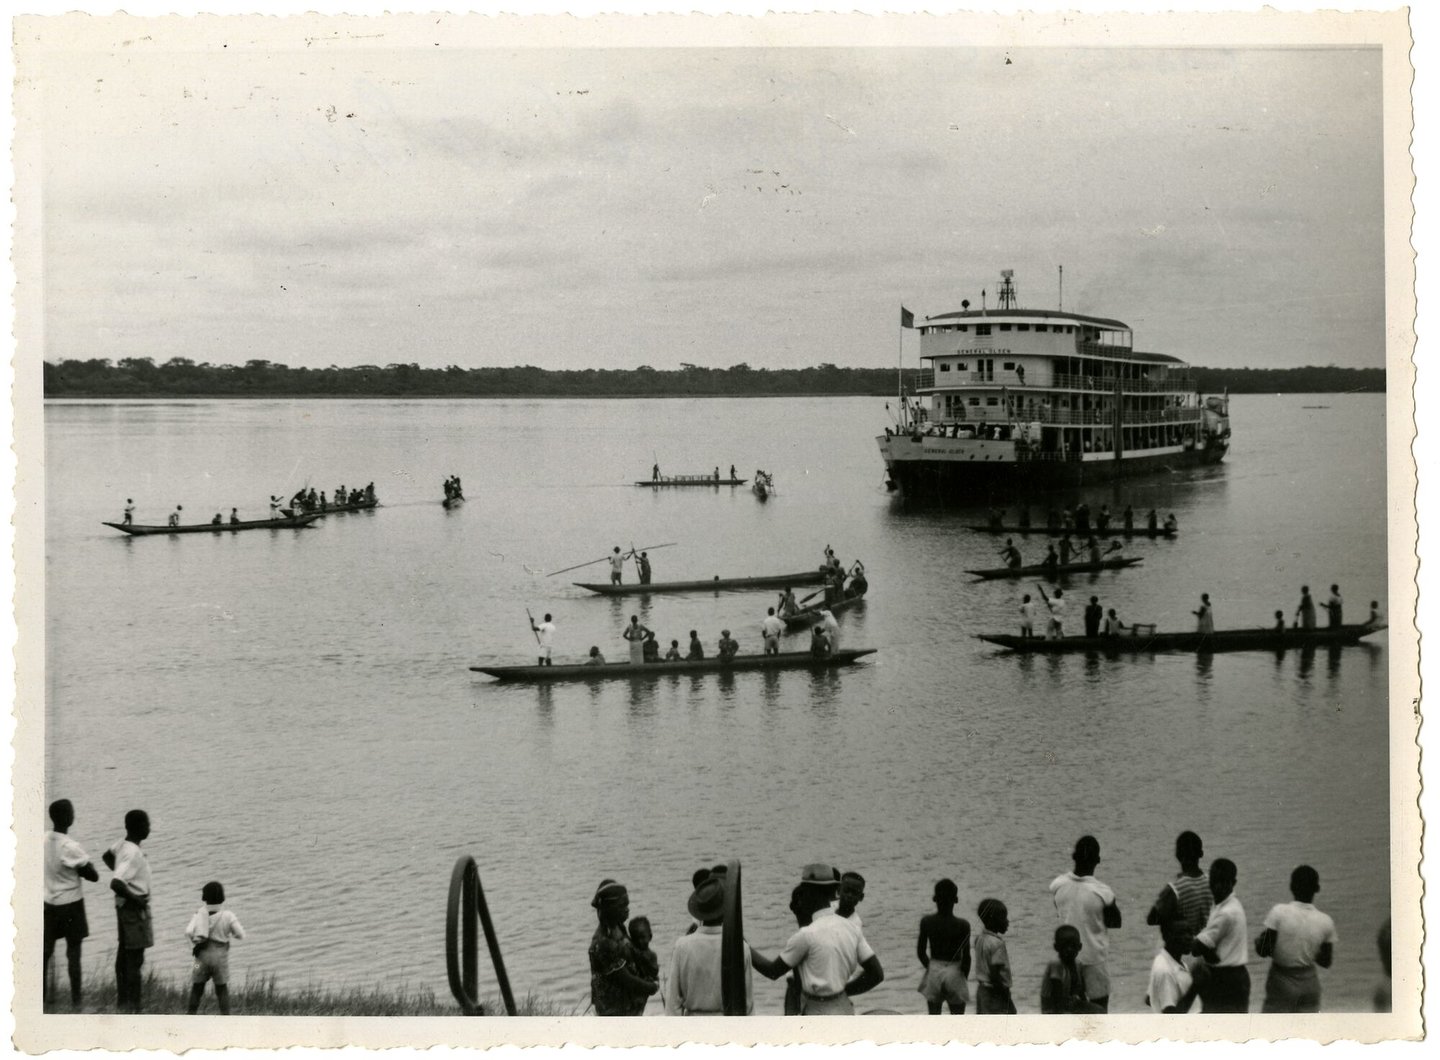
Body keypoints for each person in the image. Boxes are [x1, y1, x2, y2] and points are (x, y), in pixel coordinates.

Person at [750, 863, 884, 1015]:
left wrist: (742, 945)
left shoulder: (806, 934)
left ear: (808, 894)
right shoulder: (851, 928)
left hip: (814, 1008)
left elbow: (772, 971)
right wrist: (842, 992)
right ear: (835, 891)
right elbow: (876, 975)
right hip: (842, 1005)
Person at [1049, 835, 1122, 1012]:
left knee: (1066, 1012)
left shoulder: (1058, 885)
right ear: (1098, 860)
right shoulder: (1103, 892)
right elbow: (1116, 922)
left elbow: (1060, 909)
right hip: (1093, 958)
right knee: (1099, 1009)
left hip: (1066, 959)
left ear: (1073, 857)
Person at [665, 875, 753, 1015]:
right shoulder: (741, 947)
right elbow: (747, 1004)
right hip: (726, 1024)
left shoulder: (682, 946)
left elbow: (673, 1002)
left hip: (693, 1025)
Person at [1256, 865, 1337, 1013]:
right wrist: (1308, 947)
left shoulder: (1278, 912)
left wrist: (1258, 942)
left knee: (1273, 1029)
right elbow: (1326, 962)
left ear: (1291, 886)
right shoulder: (1326, 921)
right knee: (1306, 1032)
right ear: (1317, 888)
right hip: (1310, 983)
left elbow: (1263, 950)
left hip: (1282, 981)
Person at [44, 799, 99, 1010]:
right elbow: (92, 875)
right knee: (73, 954)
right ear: (67, 817)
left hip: (49, 902)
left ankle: (41, 997)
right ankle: (77, 1000)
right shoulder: (70, 846)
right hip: (71, 905)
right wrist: (86, 865)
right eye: (72, 812)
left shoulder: (44, 839)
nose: (73, 815)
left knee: (46, 952)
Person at [102, 809, 153, 1014]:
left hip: (123, 907)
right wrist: (136, 899)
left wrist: (119, 872)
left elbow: (107, 856)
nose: (149, 827)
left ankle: (123, 1002)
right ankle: (134, 1006)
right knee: (135, 959)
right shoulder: (132, 853)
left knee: (124, 954)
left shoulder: (122, 845)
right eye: (147, 824)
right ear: (138, 827)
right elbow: (116, 883)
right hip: (133, 909)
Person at [587, 880, 658, 1016]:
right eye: (622, 906)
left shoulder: (618, 927)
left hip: (627, 1006)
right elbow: (625, 979)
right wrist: (651, 987)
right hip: (613, 1011)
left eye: (627, 905)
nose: (627, 909)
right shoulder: (602, 942)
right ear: (609, 908)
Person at [1192, 857, 1250, 1012]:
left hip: (1228, 979)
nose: (1217, 886)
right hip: (1226, 976)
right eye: (1214, 880)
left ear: (1233, 883)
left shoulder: (1227, 913)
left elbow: (1196, 948)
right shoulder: (1220, 904)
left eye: (1223, 882)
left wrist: (1203, 947)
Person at [185, 880, 245, 1015]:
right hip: (220, 958)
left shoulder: (199, 914)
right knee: (222, 989)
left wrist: (194, 947)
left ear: (204, 898)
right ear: (222, 897)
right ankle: (226, 1018)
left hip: (200, 959)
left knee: (196, 987)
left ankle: (190, 1015)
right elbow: (241, 935)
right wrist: (230, 934)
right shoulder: (228, 915)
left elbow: (188, 932)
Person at [1145, 831, 1213, 944]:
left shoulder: (1175, 889)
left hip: (1188, 948)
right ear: (1201, 853)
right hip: (1211, 947)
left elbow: (1151, 919)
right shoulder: (1212, 882)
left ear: (1177, 855)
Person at [916, 879, 971, 1014]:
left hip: (934, 968)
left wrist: (930, 967)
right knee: (958, 1018)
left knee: (934, 1018)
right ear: (956, 900)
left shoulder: (927, 921)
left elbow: (921, 951)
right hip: (955, 970)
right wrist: (963, 977)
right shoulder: (963, 925)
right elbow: (967, 957)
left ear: (934, 899)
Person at [1040, 925, 1105, 1014]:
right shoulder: (1056, 964)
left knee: (1100, 1011)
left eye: (1073, 946)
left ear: (1079, 947)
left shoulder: (1078, 965)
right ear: (1056, 947)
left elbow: (1081, 993)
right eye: (1064, 946)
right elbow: (1057, 997)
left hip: (1068, 1004)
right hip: (1052, 1008)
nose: (1069, 950)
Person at [1147, 918, 1205, 1013]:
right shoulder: (1165, 970)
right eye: (1182, 933)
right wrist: (1195, 986)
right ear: (1167, 936)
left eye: (1191, 933)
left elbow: (1149, 998)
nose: (1189, 937)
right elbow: (1171, 1018)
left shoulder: (1172, 961)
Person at [973, 898, 1014, 1013]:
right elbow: (995, 973)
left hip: (982, 991)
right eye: (1004, 918)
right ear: (993, 920)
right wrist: (1007, 1000)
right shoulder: (997, 944)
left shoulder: (979, 939)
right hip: (996, 992)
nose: (1007, 921)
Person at [626, 917, 659, 1015]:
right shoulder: (632, 951)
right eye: (636, 938)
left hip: (643, 992)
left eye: (642, 937)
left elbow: (653, 973)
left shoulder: (651, 956)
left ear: (650, 936)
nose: (640, 941)